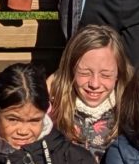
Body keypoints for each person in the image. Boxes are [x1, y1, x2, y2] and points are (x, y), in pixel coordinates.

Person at [51, 24, 130, 156]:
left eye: (105, 75)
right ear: (70, 71)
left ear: (119, 74)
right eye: (84, 73)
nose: (94, 84)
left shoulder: (129, 112)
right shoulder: (53, 110)